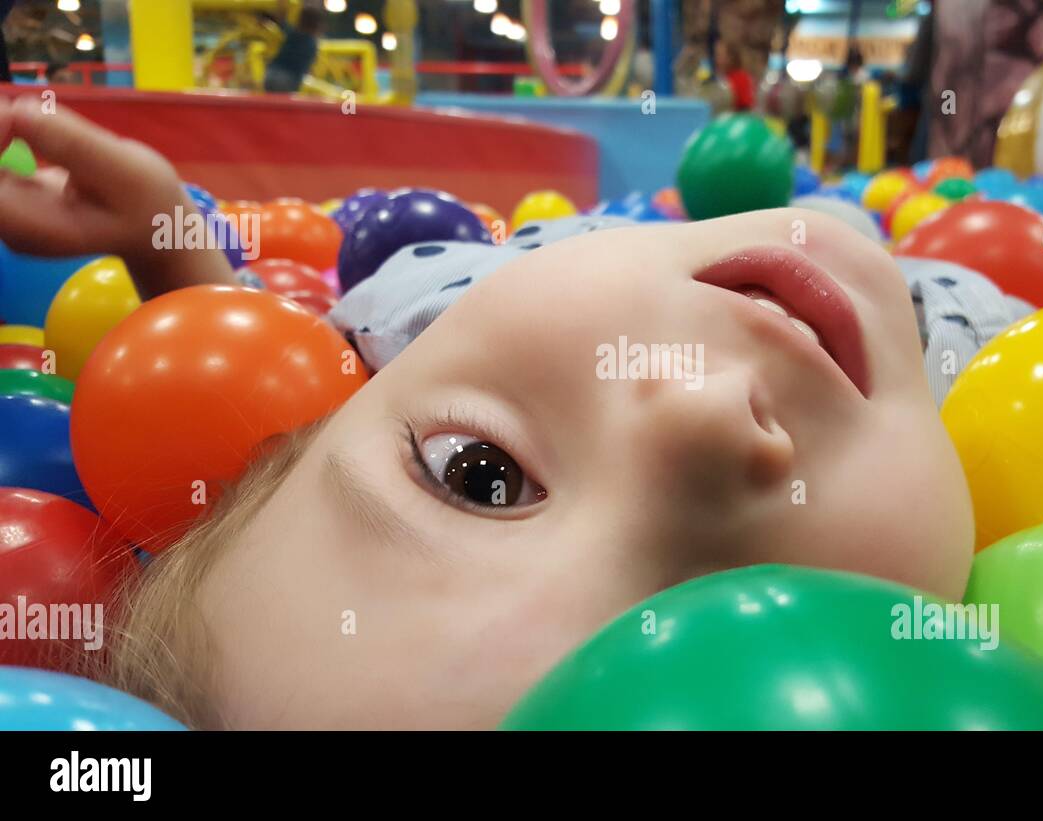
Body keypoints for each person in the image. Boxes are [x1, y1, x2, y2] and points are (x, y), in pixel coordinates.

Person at [0, 96, 978, 729]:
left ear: (342, 396)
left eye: (481, 473)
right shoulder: (979, 357)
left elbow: (253, 376)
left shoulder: (397, 315)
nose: (706, 412)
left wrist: (165, 242)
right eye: (727, 619)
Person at [264, 3, 324, 94]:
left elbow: (280, 21)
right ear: (317, 24)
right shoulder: (312, 44)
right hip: (288, 80)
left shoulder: (292, 34)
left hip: (270, 74)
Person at [713, 39, 754, 111]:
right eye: (716, 55)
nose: (716, 59)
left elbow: (745, 106)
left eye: (720, 55)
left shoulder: (741, 78)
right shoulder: (719, 77)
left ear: (731, 57)